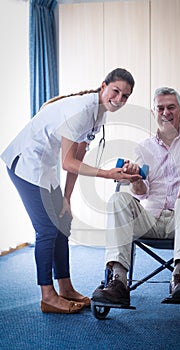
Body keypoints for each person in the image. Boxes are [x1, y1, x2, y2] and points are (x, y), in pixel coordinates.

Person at [1, 68, 142, 314]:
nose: (119, 99)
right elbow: (67, 163)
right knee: (46, 230)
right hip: (25, 164)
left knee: (62, 224)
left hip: (44, 168)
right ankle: (48, 296)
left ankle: (65, 288)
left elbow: (76, 157)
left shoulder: (100, 114)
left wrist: (66, 199)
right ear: (103, 86)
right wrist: (107, 173)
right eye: (116, 91)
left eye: (125, 96)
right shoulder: (81, 111)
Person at [92, 87, 180, 305]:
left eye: (171, 107)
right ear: (154, 112)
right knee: (118, 199)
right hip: (150, 219)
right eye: (160, 108)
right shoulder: (143, 147)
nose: (165, 112)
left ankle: (179, 275)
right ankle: (119, 281)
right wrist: (136, 179)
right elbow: (142, 192)